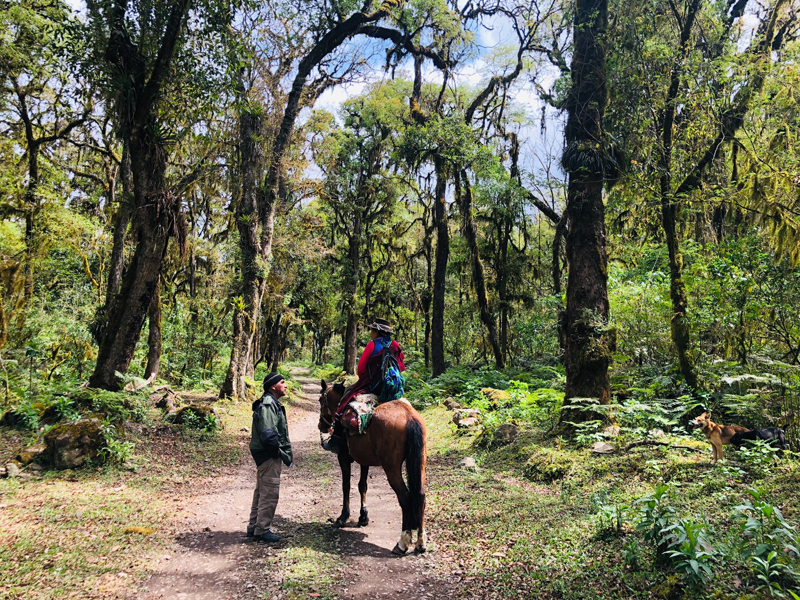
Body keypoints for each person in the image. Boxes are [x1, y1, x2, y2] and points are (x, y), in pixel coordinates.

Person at [322, 318, 405, 454]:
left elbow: (361, 369)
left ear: (377, 331)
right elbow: (401, 367)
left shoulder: (372, 345)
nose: (371, 332)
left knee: (344, 400)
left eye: (372, 330)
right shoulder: (395, 345)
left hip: (371, 385)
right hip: (394, 388)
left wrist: (368, 380)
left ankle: (336, 440)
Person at [247, 372, 293, 543]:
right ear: (273, 386)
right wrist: (277, 453)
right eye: (282, 382)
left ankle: (254, 527)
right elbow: (268, 434)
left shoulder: (271, 403)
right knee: (269, 492)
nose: (285, 385)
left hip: (264, 454)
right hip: (267, 455)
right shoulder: (268, 404)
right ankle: (262, 530)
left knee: (261, 491)